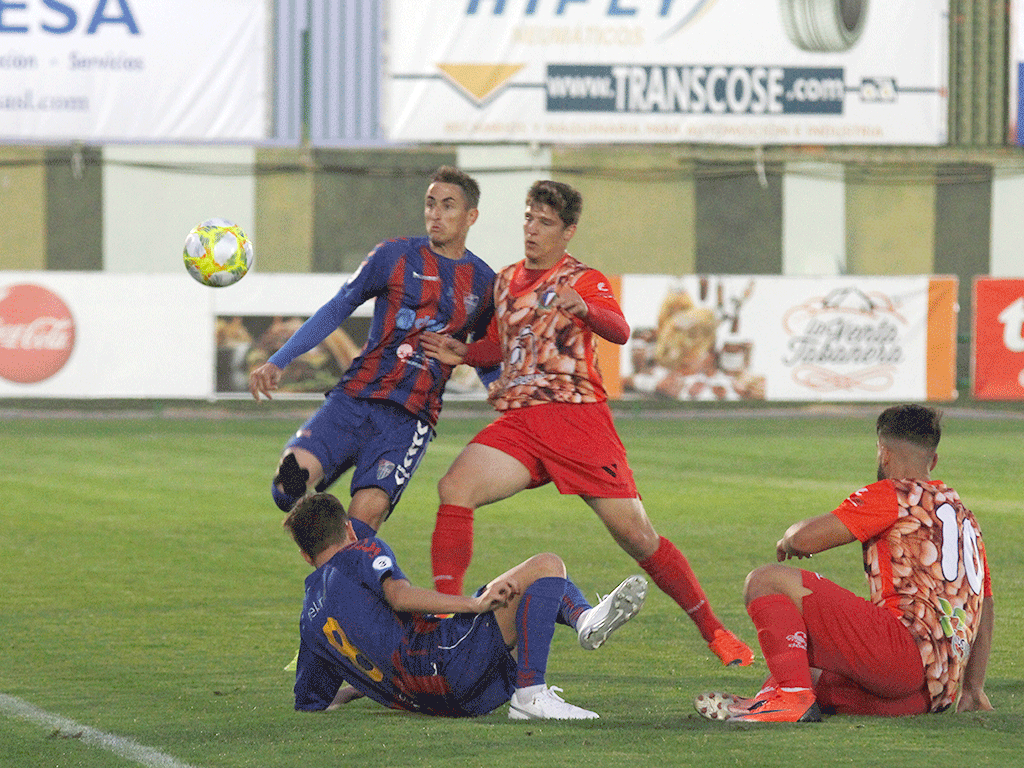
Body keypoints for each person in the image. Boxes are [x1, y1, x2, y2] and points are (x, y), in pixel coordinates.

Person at [421, 179, 753, 668]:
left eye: (545, 222)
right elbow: (500, 345)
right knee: (455, 487)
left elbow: (618, 329)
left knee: (639, 538)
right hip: (521, 420)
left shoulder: (581, 278)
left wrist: (588, 310)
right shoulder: (506, 279)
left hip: (577, 422)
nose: (532, 229)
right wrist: (465, 352)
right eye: (529, 218)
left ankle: (715, 632)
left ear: (568, 231)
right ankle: (443, 625)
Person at [695, 404, 994, 723]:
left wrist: (788, 540)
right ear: (932, 460)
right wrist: (973, 689)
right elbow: (985, 605)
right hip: (933, 691)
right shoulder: (966, 519)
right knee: (809, 673)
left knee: (766, 580)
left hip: (900, 657)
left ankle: (790, 699)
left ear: (884, 453)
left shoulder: (893, 493)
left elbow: (804, 540)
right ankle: (770, 700)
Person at [249, 166, 497, 536]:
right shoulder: (393, 256)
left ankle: (341, 566)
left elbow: (487, 350)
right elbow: (337, 307)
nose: (435, 214)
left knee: (363, 524)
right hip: (355, 397)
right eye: (430, 204)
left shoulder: (483, 282)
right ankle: (328, 528)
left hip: (409, 417)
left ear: (471, 216)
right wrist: (279, 359)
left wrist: (498, 387)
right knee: (287, 488)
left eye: (448, 206)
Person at [284, 492, 648, 719]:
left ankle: (585, 619)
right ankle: (532, 693)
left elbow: (314, 700)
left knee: (532, 593)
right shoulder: (361, 550)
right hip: (444, 661)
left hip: (435, 702)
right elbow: (398, 595)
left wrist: (364, 686)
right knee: (545, 566)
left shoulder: (309, 621)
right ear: (349, 530)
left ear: (304, 554)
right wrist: (473, 605)